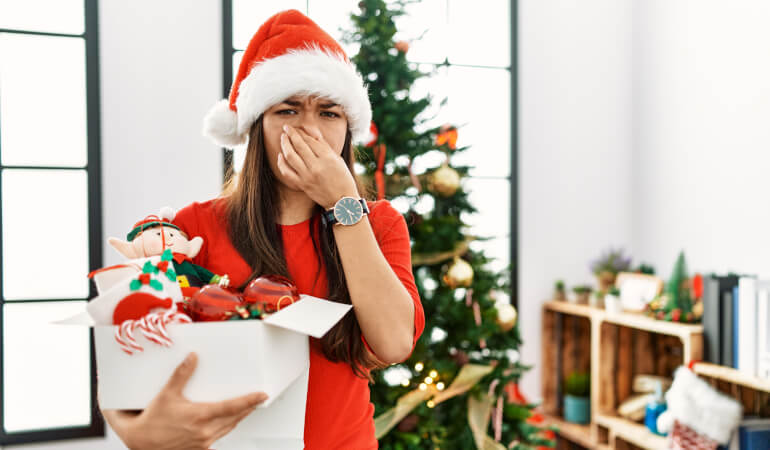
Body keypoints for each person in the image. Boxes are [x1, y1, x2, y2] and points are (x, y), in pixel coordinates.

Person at [100, 9, 425, 449]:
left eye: (329, 113)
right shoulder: (195, 226)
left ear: (347, 130)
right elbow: (131, 349)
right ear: (256, 128)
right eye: (287, 110)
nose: (308, 130)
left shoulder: (378, 222)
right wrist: (136, 432)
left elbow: (392, 343)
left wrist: (341, 204)